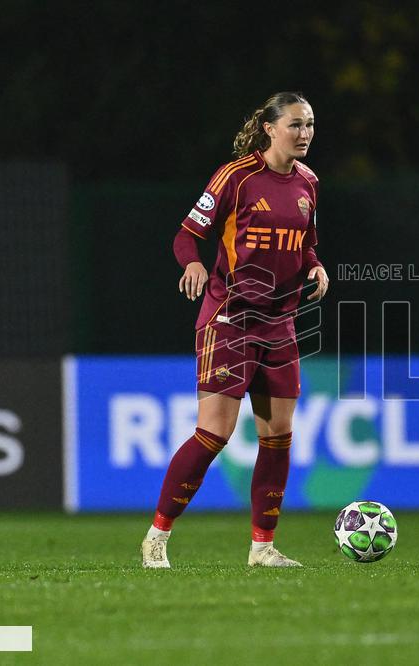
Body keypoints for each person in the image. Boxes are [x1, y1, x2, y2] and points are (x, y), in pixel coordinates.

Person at [141, 92, 329, 569]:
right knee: (214, 433)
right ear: (270, 128)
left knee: (279, 436)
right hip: (229, 318)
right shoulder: (237, 177)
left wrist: (316, 266)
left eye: (309, 125)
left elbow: (305, 243)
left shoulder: (309, 182)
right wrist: (195, 266)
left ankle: (263, 547)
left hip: (280, 323)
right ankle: (156, 538)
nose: (304, 133)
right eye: (295, 124)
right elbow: (187, 234)